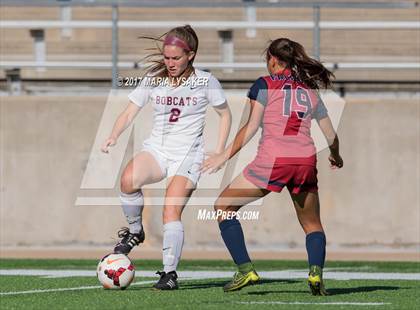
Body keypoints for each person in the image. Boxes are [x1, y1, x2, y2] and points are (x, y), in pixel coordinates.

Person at [202, 38, 343, 294]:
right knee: (312, 224)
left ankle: (246, 271)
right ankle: (315, 275)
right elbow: (331, 136)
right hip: (304, 161)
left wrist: (224, 156)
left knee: (223, 206)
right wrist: (336, 156)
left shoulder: (263, 84)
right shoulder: (309, 89)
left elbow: (251, 127)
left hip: (273, 161)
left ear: (273, 60)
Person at [101, 25, 232, 290]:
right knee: (127, 181)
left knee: (170, 210)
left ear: (191, 55)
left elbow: (225, 114)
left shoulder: (206, 81)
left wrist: (220, 151)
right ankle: (136, 231)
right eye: (166, 57)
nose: (169, 63)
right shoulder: (154, 78)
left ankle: (169, 273)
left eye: (176, 58)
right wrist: (113, 135)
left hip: (188, 155)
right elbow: (128, 112)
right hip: (158, 150)